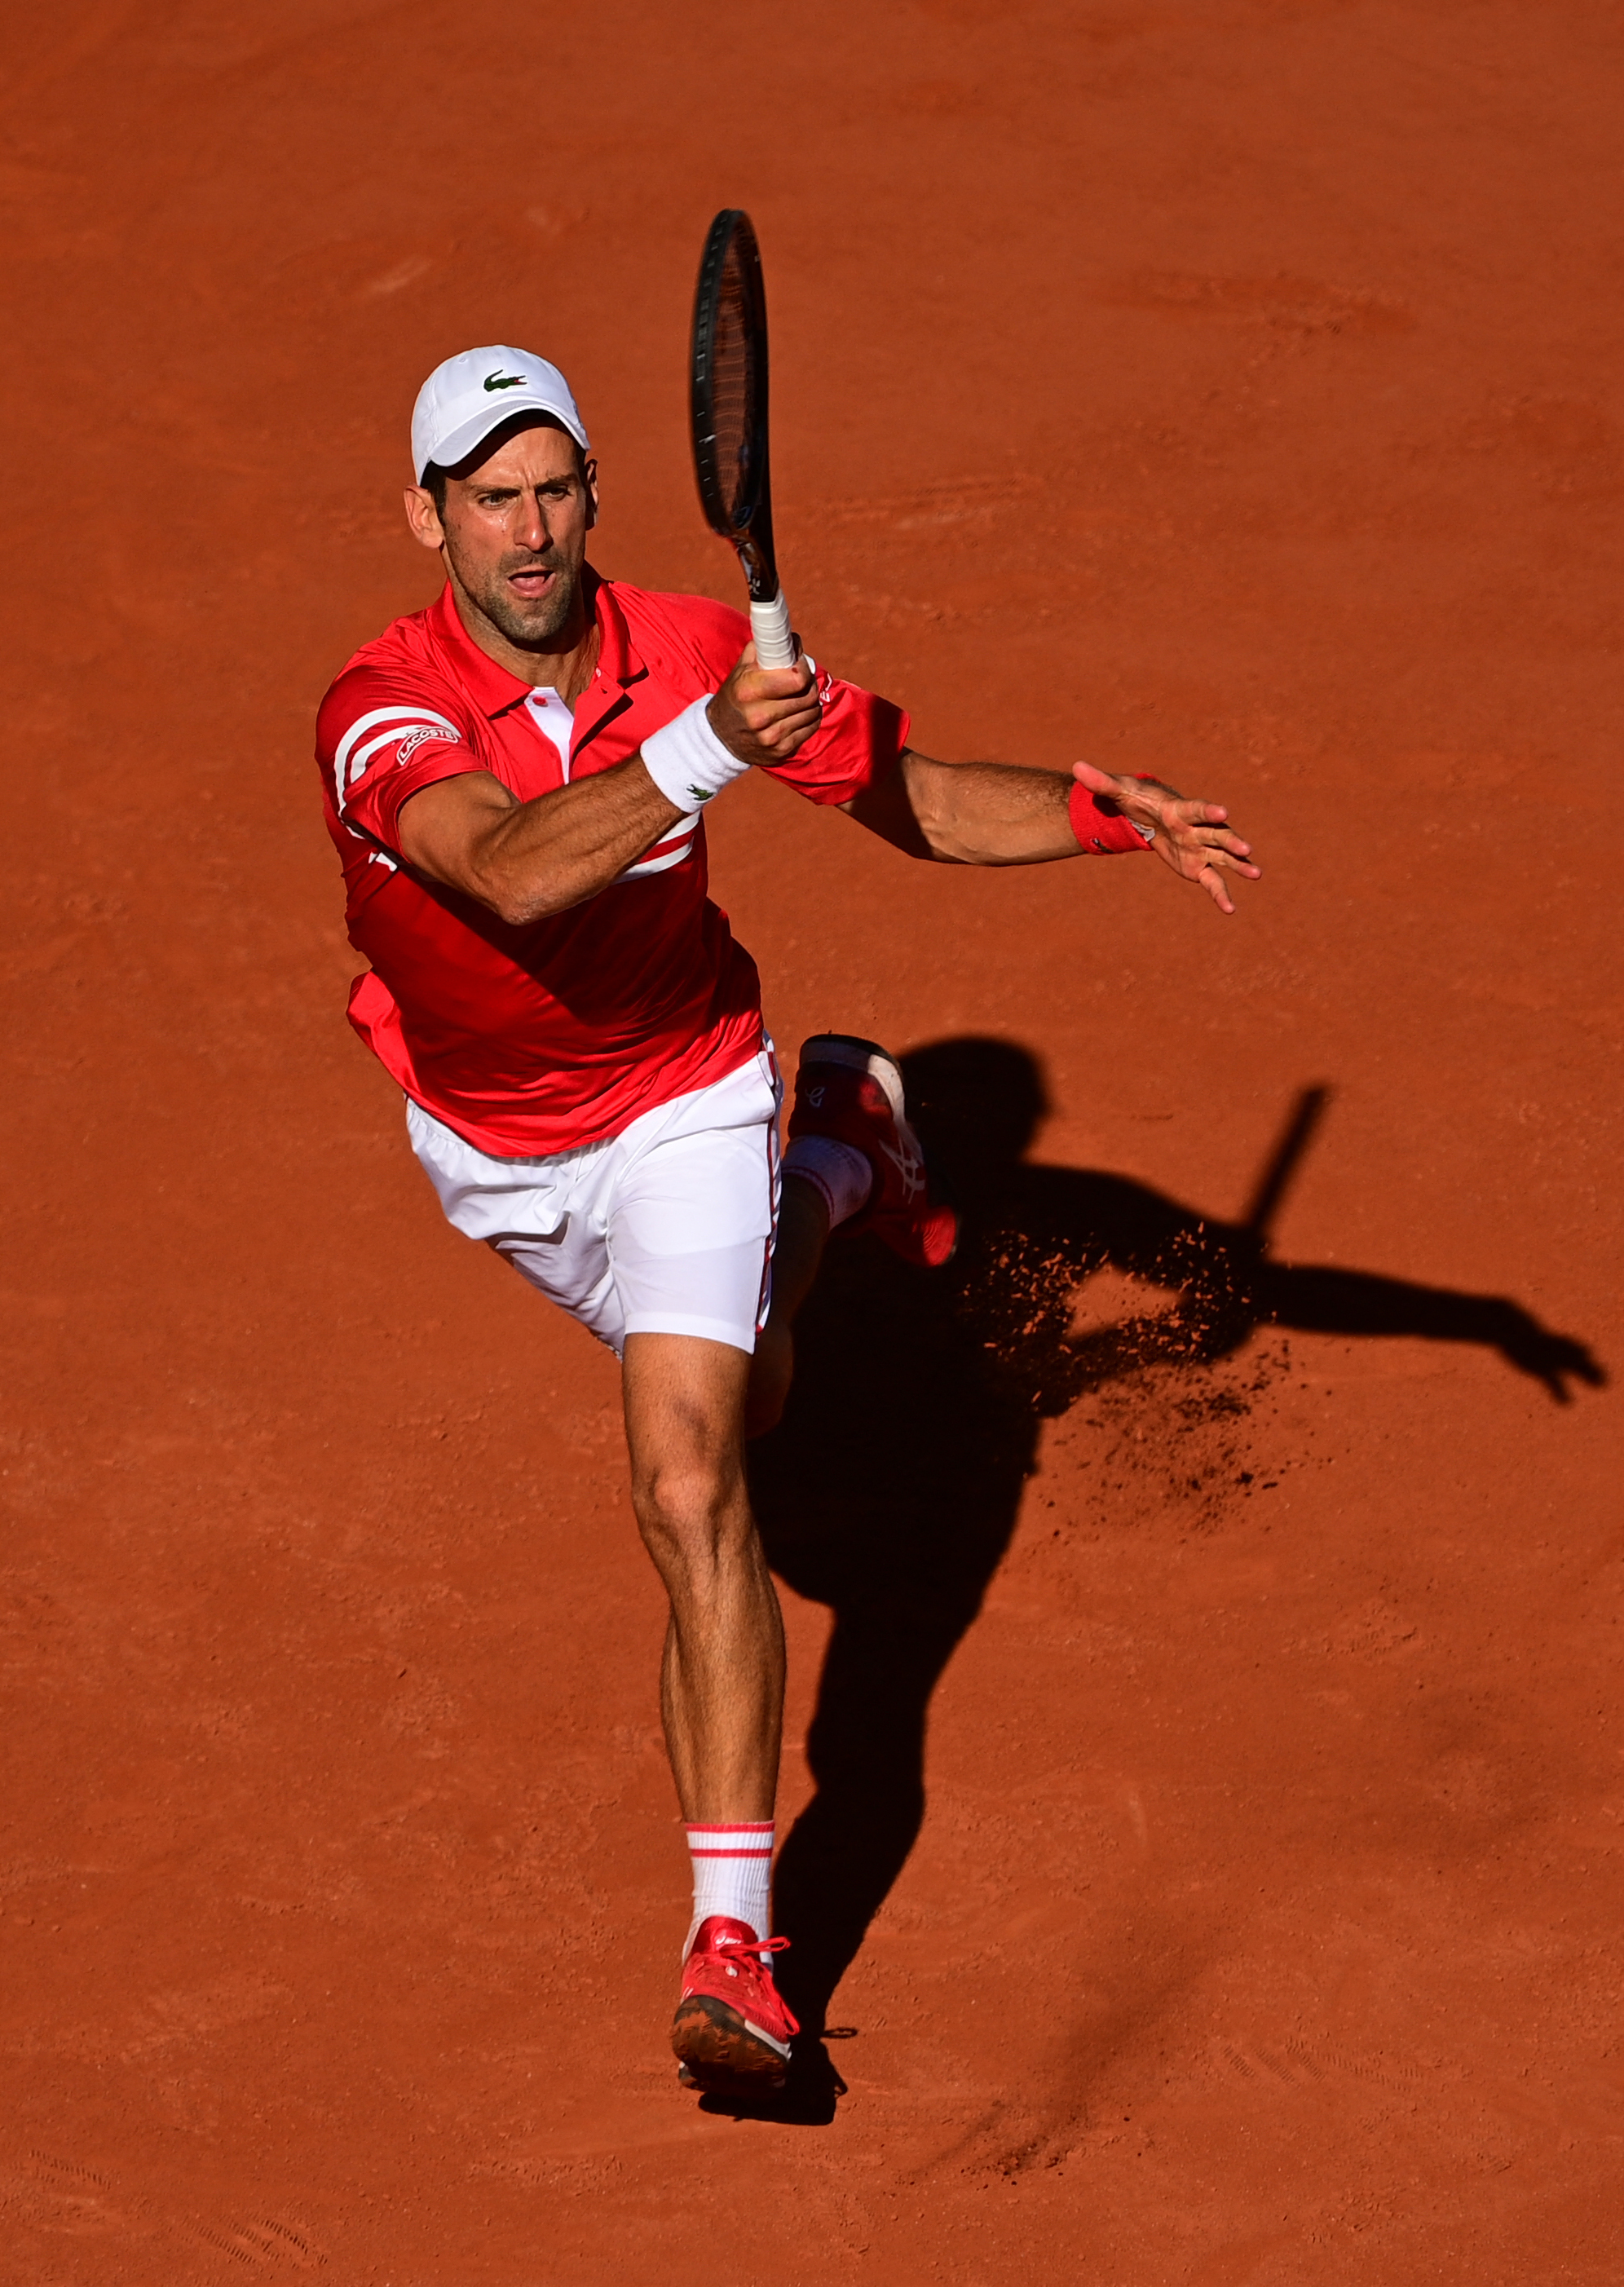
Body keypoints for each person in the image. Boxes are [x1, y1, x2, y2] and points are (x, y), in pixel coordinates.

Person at [309, 346, 1259, 2088]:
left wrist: (1089, 816)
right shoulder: (382, 705)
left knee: (689, 1474)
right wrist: (698, 751)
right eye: (488, 496)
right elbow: (511, 869)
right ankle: (839, 1149)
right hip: (497, 1143)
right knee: (755, 1392)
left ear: (596, 493)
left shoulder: (692, 648)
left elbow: (904, 795)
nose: (528, 531)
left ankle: (733, 1939)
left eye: (553, 488)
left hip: (679, 1087)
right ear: (426, 518)